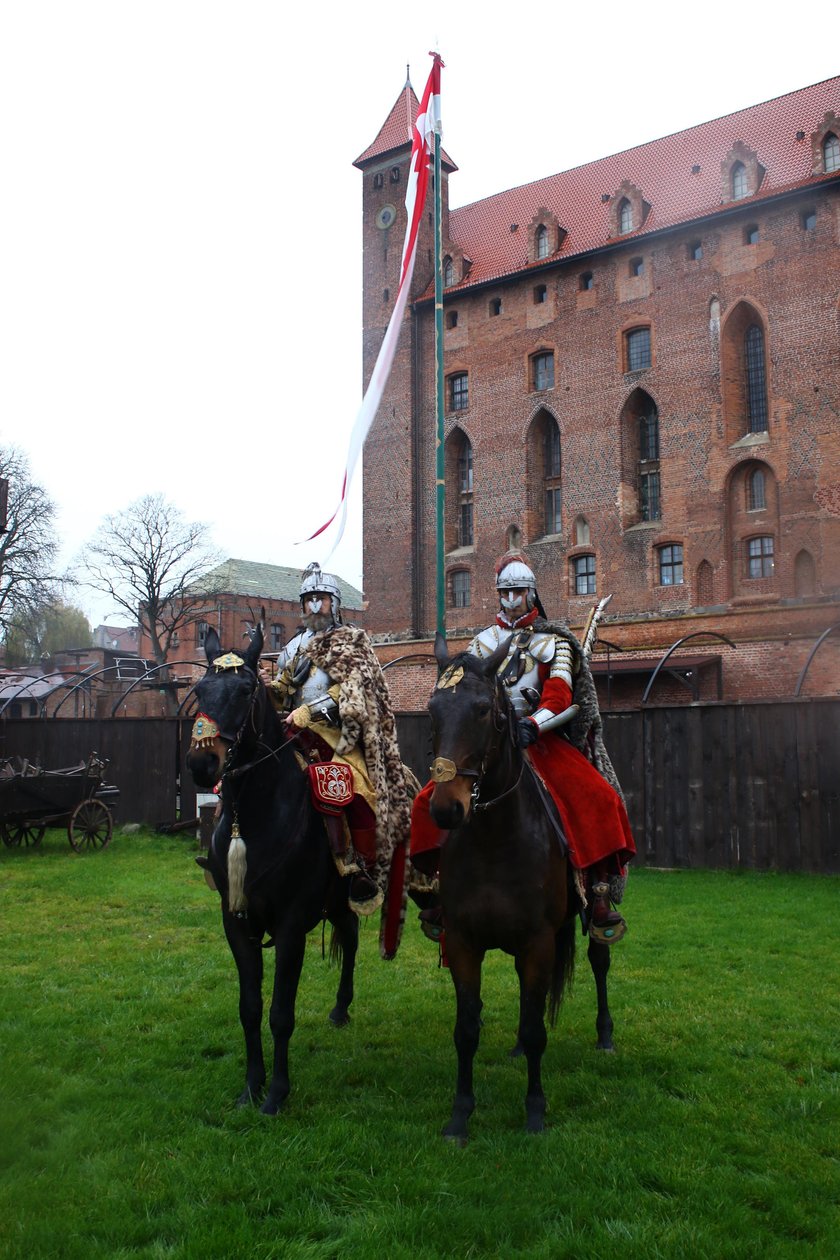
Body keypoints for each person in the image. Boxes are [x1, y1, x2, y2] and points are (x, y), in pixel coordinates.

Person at [411, 553, 636, 945]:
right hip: (488, 744)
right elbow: (463, 694)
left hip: (539, 741)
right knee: (425, 802)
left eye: (518, 591)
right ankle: (433, 884)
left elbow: (562, 697)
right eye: (505, 592)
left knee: (598, 798)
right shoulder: (482, 644)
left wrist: (533, 724)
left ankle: (598, 893)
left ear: (532, 593)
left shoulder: (556, 641)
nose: (512, 599)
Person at [262, 563, 418, 957]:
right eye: (308, 599)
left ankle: (358, 868)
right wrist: (274, 692)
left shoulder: (352, 643)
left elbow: (353, 691)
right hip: (289, 732)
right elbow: (283, 694)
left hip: (336, 735)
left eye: (321, 599)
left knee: (355, 790)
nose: (315, 606)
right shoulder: (292, 648)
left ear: (335, 603)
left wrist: (310, 712)